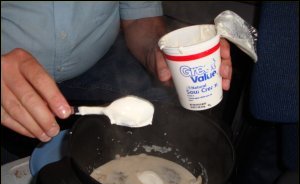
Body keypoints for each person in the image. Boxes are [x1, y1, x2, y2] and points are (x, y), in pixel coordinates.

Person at [1, 2, 232, 143]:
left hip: (95, 66)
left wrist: (161, 53)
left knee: (171, 106)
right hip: (7, 81)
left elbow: (139, 18)